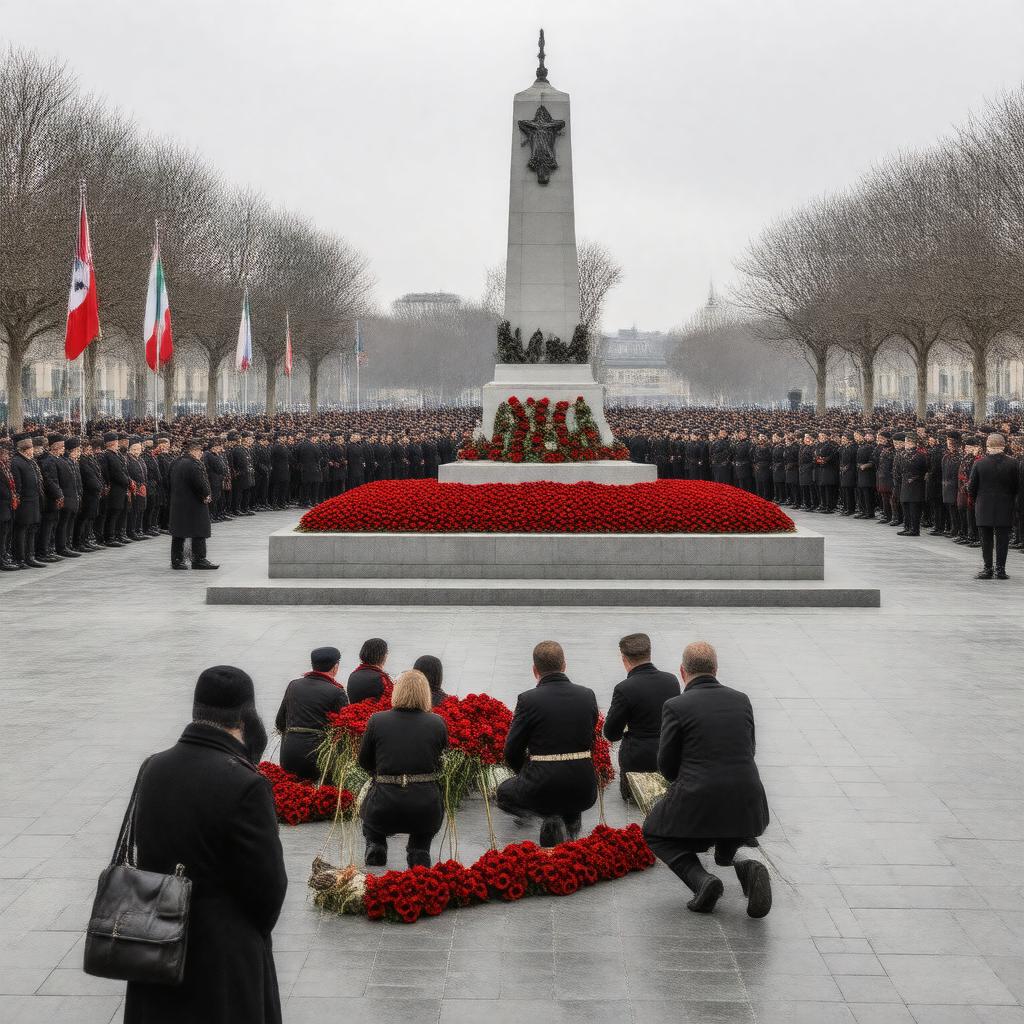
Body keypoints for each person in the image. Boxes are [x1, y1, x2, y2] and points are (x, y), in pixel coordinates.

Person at [123, 665, 287, 1024]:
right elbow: (269, 891)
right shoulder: (246, 784)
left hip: (156, 946)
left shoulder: (153, 768)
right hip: (222, 964)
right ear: (246, 716)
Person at [642, 642, 771, 917]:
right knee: (730, 828)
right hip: (748, 798)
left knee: (654, 831)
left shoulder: (676, 706)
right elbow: (750, 748)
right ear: (716, 669)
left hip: (698, 795)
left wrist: (683, 784)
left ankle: (702, 881)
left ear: (682, 671)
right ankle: (745, 864)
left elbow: (666, 764)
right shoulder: (741, 699)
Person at [496, 640, 599, 847]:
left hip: (542, 786)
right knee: (565, 790)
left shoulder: (528, 700)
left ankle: (549, 817)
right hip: (584, 786)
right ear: (564, 665)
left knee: (503, 793)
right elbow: (591, 740)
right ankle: (568, 819)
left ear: (535, 670)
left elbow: (512, 750)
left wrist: (525, 772)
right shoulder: (587, 695)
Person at [357, 669, 448, 868]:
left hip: (384, 806)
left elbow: (363, 761)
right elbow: (441, 763)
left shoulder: (377, 720)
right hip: (424, 807)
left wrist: (380, 774)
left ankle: (376, 843)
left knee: (369, 805)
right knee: (430, 810)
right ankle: (419, 849)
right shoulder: (437, 723)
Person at [602, 633, 681, 803]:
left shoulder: (624, 689)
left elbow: (611, 733)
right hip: (669, 756)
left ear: (624, 659)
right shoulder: (672, 681)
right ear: (649, 653)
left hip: (638, 762)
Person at [275, 646, 349, 779]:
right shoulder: (337, 692)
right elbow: (344, 730)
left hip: (289, 752)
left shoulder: (293, 685)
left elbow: (280, 722)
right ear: (335, 667)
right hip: (317, 755)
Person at [969, 431, 1020, 580]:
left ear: (987, 446)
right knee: (1003, 539)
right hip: (1005, 505)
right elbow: (1017, 486)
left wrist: (976, 498)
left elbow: (972, 487)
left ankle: (987, 569)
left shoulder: (979, 463)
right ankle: (1000, 570)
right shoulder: (1014, 463)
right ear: (1004, 446)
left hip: (984, 506)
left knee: (986, 539)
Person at [169, 437, 218, 570]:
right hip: (195, 503)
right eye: (200, 451)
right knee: (199, 530)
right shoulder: (195, 464)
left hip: (178, 502)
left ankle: (177, 561)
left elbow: (167, 481)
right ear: (194, 451)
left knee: (179, 532)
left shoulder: (175, 462)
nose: (201, 454)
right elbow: (201, 483)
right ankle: (199, 559)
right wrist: (206, 495)